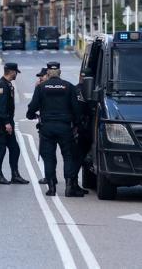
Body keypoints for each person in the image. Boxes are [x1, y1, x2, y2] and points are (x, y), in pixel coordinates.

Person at [26, 61, 85, 197]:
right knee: (68, 157)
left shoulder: (41, 87)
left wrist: (31, 115)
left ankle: (51, 188)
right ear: (60, 72)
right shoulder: (68, 87)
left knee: (49, 157)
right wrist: (77, 124)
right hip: (65, 127)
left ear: (47, 73)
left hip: (47, 128)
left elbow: (33, 106)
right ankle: (69, 188)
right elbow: (76, 109)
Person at [0, 62, 29, 185]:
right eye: (16, 72)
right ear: (12, 72)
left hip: (8, 121)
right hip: (2, 123)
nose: (16, 75)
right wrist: (7, 123)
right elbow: (0, 108)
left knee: (15, 149)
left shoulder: (8, 84)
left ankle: (15, 175)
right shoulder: (0, 86)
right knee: (0, 149)